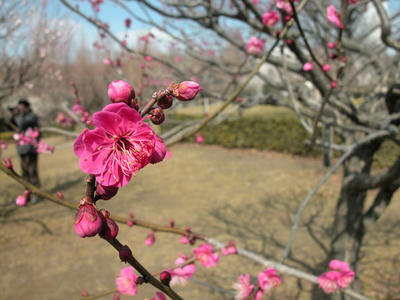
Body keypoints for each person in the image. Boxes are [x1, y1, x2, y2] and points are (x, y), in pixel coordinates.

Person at [14, 99, 40, 203]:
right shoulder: (19, 117)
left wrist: (17, 117)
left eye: (23, 107)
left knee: (32, 171)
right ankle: (27, 193)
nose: (21, 109)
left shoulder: (32, 116)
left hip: (31, 149)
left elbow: (26, 123)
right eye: (20, 107)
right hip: (22, 150)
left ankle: (36, 193)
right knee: (24, 173)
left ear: (27, 107)